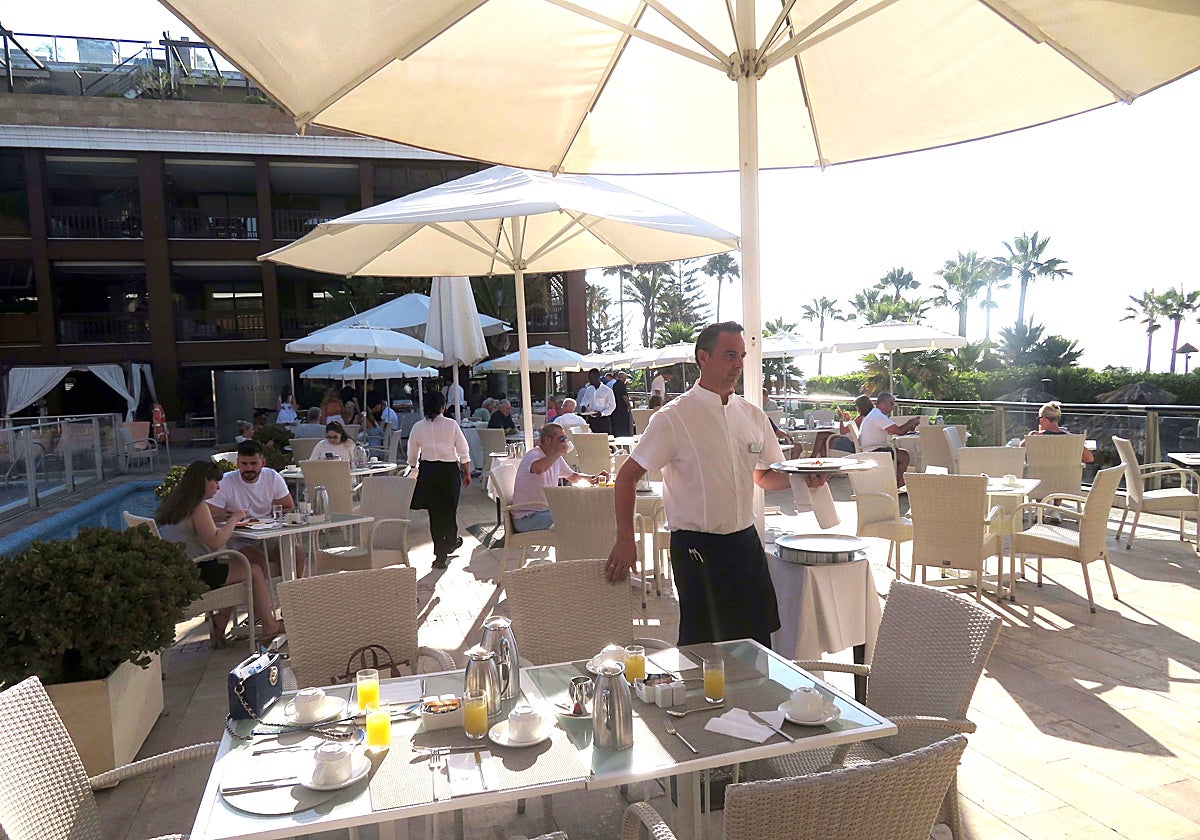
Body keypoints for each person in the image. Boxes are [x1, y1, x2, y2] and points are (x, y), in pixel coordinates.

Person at [606, 321, 796, 648]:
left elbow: (764, 476)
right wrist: (626, 538)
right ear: (703, 358)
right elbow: (626, 476)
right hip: (697, 548)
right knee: (704, 649)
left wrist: (803, 478)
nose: (738, 364)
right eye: (730, 355)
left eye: (742, 356)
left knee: (758, 643)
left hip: (746, 544)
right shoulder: (672, 418)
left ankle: (755, 700)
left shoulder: (752, 415)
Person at [156, 460, 283, 639]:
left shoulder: (178, 503)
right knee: (254, 569)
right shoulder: (199, 507)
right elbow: (216, 542)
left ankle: (221, 622)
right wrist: (235, 518)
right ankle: (270, 625)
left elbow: (195, 529)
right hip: (196, 572)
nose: (218, 487)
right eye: (215, 482)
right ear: (203, 482)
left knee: (237, 566)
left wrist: (217, 517)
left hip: (179, 569)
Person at [407, 390, 472, 569]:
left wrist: (413, 467)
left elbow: (412, 453)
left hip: (429, 470)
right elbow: (463, 451)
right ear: (443, 406)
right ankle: (451, 540)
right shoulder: (451, 425)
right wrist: (467, 473)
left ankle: (440, 555)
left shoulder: (418, 427)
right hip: (448, 470)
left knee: (435, 514)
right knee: (450, 509)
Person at [509, 422, 603, 531]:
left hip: (543, 512)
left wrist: (594, 478)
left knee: (581, 512)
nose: (565, 442)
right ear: (548, 440)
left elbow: (573, 477)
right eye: (562, 439)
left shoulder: (555, 458)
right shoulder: (534, 455)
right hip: (527, 517)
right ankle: (572, 547)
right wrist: (557, 453)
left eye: (565, 438)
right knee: (573, 521)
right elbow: (538, 469)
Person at [857, 392, 919, 485]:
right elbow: (899, 431)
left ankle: (896, 482)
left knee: (900, 453)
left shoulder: (874, 414)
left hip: (868, 448)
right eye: (892, 403)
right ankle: (899, 485)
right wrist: (910, 422)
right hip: (873, 450)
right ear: (884, 403)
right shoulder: (878, 416)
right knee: (904, 456)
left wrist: (909, 426)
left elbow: (894, 431)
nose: (893, 407)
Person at [1024, 401, 1094, 463]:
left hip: (1040, 476)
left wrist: (1039, 432)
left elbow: (1020, 452)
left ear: (1044, 419)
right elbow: (1090, 458)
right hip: (1066, 477)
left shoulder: (1034, 437)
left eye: (1039, 418)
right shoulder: (1072, 439)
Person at [578, 367, 616, 434]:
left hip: (603, 420)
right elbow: (584, 400)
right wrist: (583, 406)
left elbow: (612, 406)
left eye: (591, 378)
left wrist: (602, 413)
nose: (590, 380)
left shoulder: (607, 390)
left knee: (604, 441)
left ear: (597, 377)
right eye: (589, 378)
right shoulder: (589, 389)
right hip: (591, 419)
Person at [610, 371, 633, 437]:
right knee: (624, 424)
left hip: (616, 407)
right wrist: (628, 404)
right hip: (622, 408)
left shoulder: (615, 384)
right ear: (623, 377)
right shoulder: (621, 385)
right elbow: (624, 396)